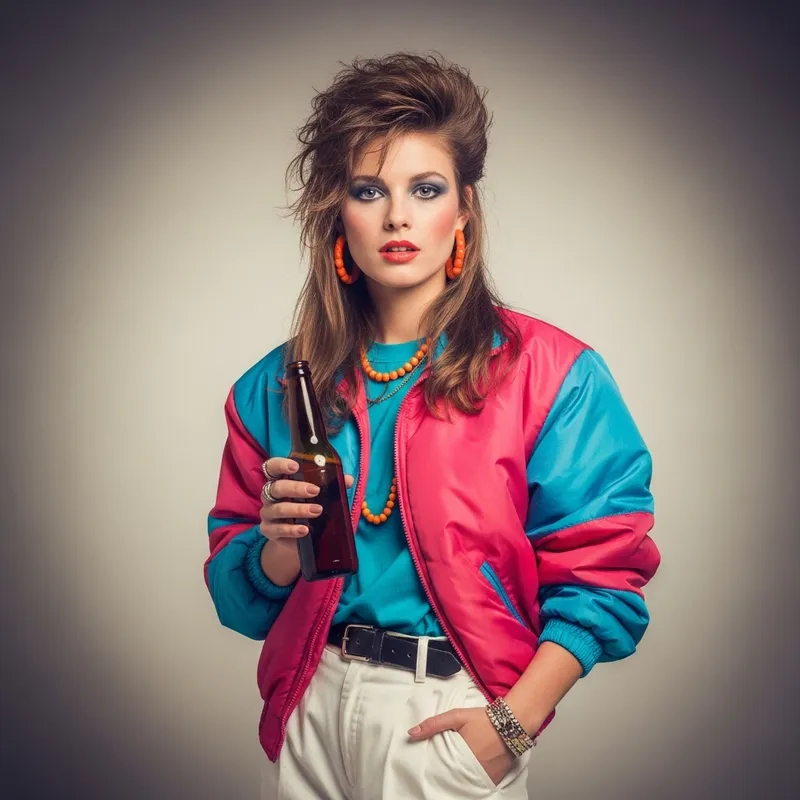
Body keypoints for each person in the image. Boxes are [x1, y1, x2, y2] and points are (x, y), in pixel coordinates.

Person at [204, 51, 661, 800]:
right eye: (367, 190)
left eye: (425, 188)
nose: (397, 217)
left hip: (449, 714)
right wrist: (278, 548)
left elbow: (603, 577)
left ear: (464, 208)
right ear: (335, 211)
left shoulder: (549, 373)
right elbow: (238, 602)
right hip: (311, 706)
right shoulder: (274, 387)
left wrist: (509, 726)